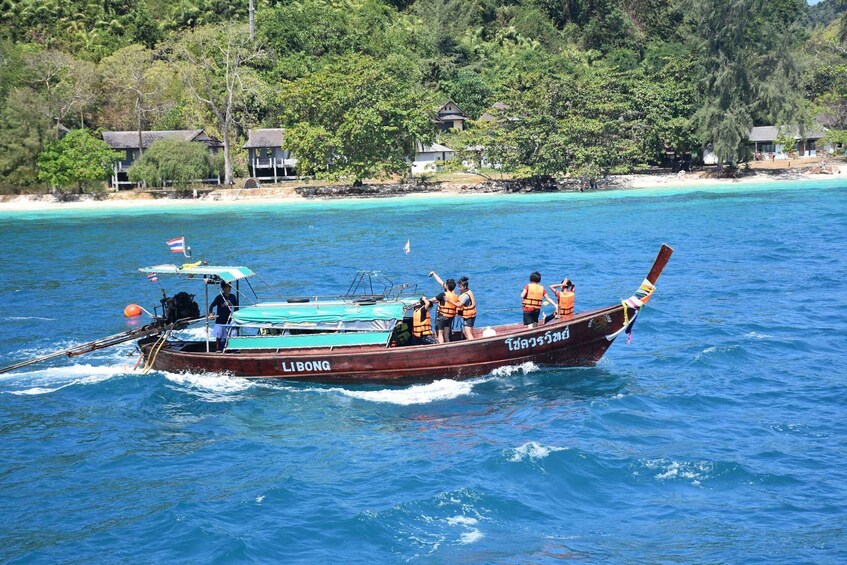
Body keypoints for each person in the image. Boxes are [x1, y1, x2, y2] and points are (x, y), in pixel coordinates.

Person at [428, 271, 459, 343]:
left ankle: (441, 347)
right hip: (450, 317)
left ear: (447, 286)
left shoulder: (443, 294)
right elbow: (440, 281)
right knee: (446, 335)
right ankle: (448, 346)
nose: (444, 284)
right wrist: (434, 274)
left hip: (442, 317)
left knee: (440, 334)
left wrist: (425, 300)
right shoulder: (454, 295)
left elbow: (433, 299)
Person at [209, 281, 238, 351]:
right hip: (220, 320)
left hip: (229, 319)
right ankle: (218, 350)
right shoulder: (219, 297)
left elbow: (236, 307)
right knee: (219, 336)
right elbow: (211, 306)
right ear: (223, 288)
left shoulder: (233, 297)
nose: (230, 288)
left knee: (229, 336)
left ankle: (230, 349)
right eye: (228, 286)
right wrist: (211, 313)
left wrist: (235, 315)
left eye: (230, 286)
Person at [456, 276, 477, 340]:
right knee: (471, 332)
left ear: (465, 287)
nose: (459, 288)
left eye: (460, 287)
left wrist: (449, 300)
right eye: (458, 286)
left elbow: (459, 305)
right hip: (471, 315)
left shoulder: (465, 296)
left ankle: (473, 346)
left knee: (468, 333)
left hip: (469, 316)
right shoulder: (468, 291)